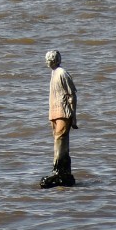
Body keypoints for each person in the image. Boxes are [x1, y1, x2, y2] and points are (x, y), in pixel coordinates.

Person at [41, 49, 78, 188]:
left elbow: (72, 95)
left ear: (55, 60)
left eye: (49, 60)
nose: (47, 62)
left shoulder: (62, 73)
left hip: (63, 111)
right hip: (54, 112)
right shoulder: (54, 73)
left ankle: (61, 170)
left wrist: (73, 115)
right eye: (47, 60)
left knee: (60, 139)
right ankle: (58, 170)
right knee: (57, 140)